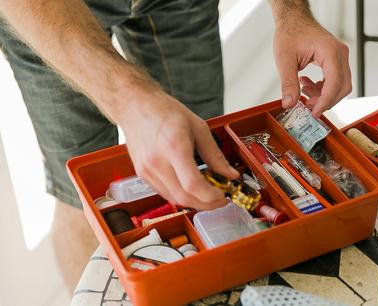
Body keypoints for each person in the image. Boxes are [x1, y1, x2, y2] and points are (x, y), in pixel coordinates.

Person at [0, 0, 351, 292]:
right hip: (51, 11)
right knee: (82, 197)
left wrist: (293, 13)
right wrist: (129, 99)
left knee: (199, 153)